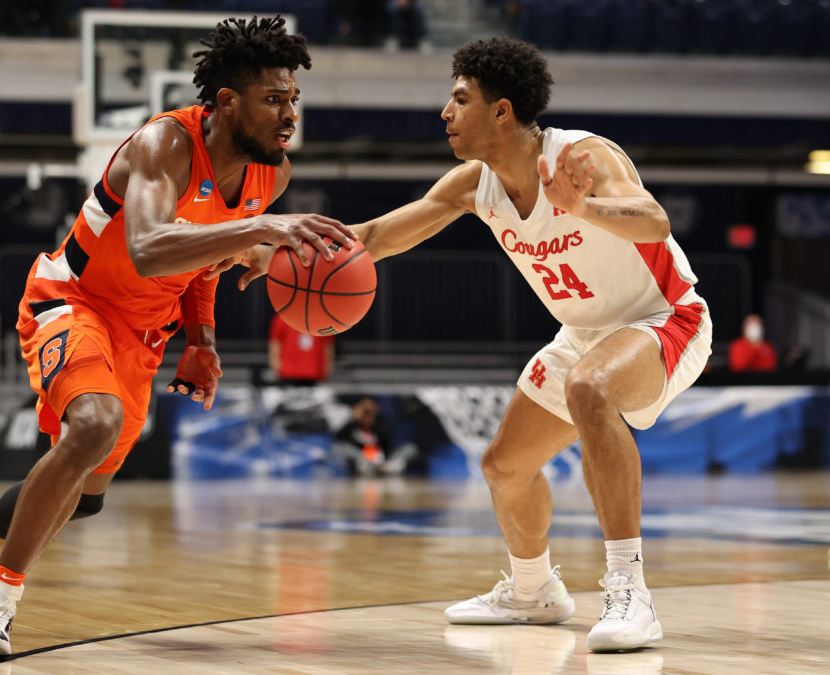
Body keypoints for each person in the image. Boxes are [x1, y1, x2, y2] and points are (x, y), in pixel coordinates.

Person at [223, 36, 712, 652]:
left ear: (501, 111)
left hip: (665, 317)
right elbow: (372, 236)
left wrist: (583, 207)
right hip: (586, 334)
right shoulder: (471, 185)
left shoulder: (582, 156)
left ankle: (629, 591)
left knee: (590, 387)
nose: (445, 113)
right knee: (504, 467)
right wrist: (276, 253)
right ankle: (533, 591)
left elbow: (654, 222)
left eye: (460, 99)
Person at [0, 16, 356, 659]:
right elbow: (148, 248)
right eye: (274, 99)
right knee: (93, 426)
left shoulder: (269, 174)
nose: (289, 114)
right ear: (227, 101)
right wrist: (266, 229)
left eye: (293, 99)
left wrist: (202, 338)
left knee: (84, 498)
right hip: (72, 299)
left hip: (145, 330)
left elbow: (202, 260)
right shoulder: (164, 143)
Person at [333, 395, 415, 476]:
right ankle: (371, 467)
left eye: (370, 411)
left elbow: (390, 444)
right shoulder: (353, 424)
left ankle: (388, 468)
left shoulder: (382, 423)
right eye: (365, 411)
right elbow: (338, 438)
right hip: (363, 459)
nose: (368, 414)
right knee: (339, 447)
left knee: (410, 448)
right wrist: (352, 417)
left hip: (384, 459)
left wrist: (382, 459)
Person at [268, 314, 335, 385]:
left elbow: (328, 343)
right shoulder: (284, 317)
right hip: (289, 370)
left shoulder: (322, 319)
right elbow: (276, 341)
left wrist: (328, 364)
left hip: (313, 370)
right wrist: (275, 361)